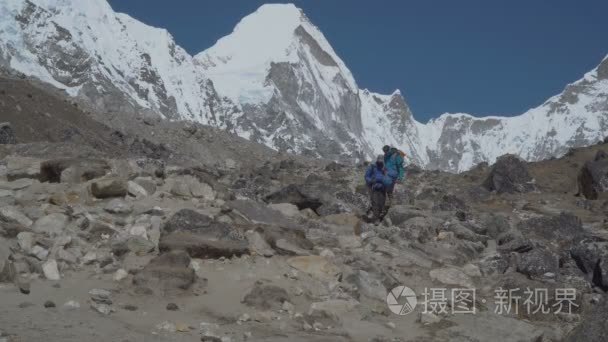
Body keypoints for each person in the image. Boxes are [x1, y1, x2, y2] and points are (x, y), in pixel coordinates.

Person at [364, 155, 393, 222]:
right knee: (375, 203)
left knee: (381, 204)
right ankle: (376, 219)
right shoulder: (372, 167)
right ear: (377, 160)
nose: (380, 162)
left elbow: (389, 178)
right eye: (379, 160)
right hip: (374, 188)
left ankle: (378, 217)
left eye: (381, 161)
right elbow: (366, 176)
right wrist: (371, 181)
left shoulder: (385, 169)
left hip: (383, 188)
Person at [382, 145, 406, 209]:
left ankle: (391, 204)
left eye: (385, 151)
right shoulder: (389, 156)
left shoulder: (392, 155)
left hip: (391, 175)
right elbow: (399, 167)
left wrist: (400, 177)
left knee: (389, 190)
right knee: (389, 190)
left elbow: (399, 167)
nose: (385, 152)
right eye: (385, 151)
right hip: (391, 175)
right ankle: (391, 204)